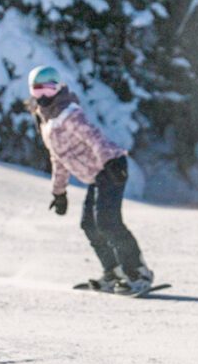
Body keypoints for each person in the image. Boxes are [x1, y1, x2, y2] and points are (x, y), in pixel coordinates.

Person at [27, 65, 154, 294]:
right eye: (38, 91)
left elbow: (94, 138)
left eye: (49, 89)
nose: (44, 95)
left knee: (107, 221)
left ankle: (138, 272)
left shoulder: (69, 113)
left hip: (111, 166)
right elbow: (58, 159)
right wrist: (59, 192)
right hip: (98, 174)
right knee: (89, 224)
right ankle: (114, 272)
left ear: (58, 88)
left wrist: (110, 162)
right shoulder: (46, 123)